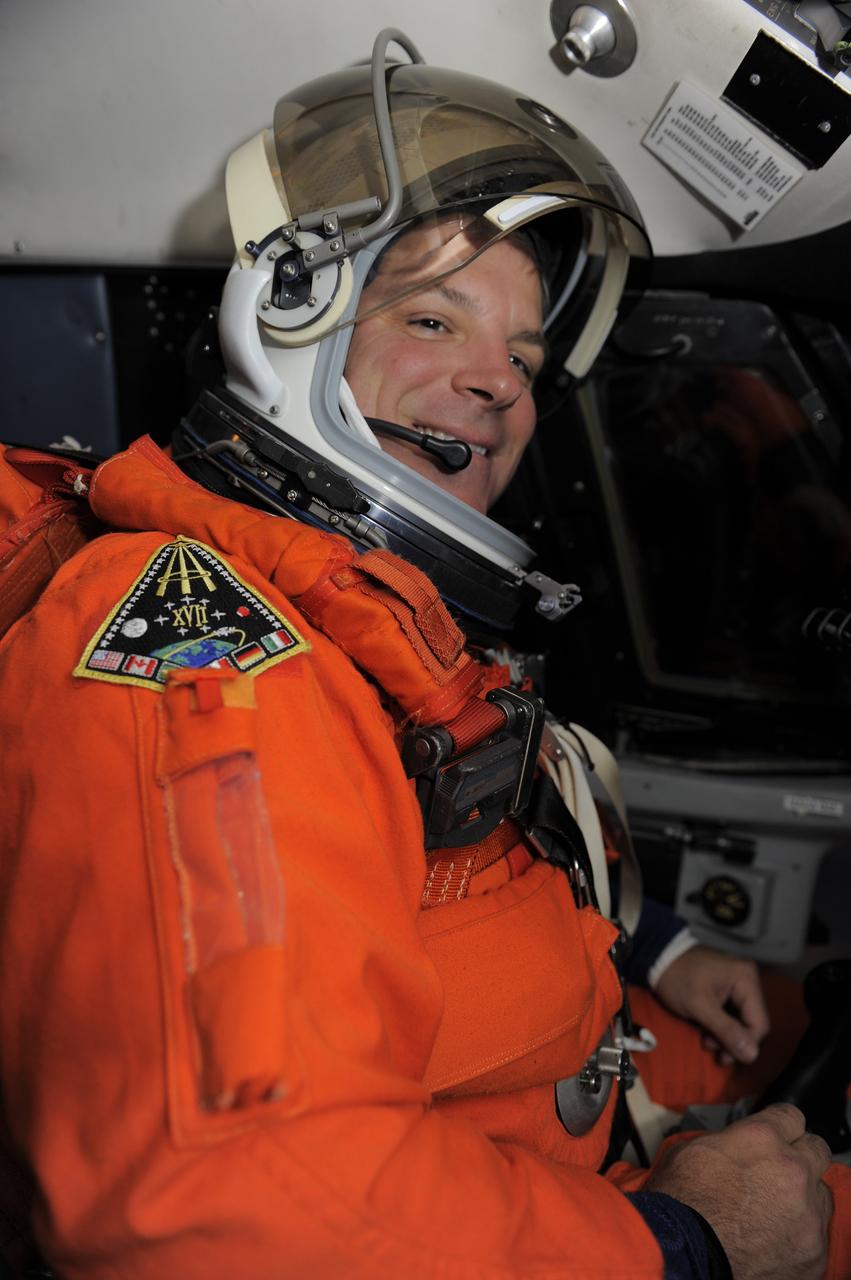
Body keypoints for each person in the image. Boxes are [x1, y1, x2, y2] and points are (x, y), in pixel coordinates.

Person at [0, 28, 847, 1280]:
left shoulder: (367, 625)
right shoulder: (207, 652)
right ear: (290, 321)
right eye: (435, 317)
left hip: (563, 1116)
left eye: (519, 359)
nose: (497, 387)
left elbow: (446, 886)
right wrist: (684, 1241)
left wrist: (659, 942)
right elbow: (222, 1194)